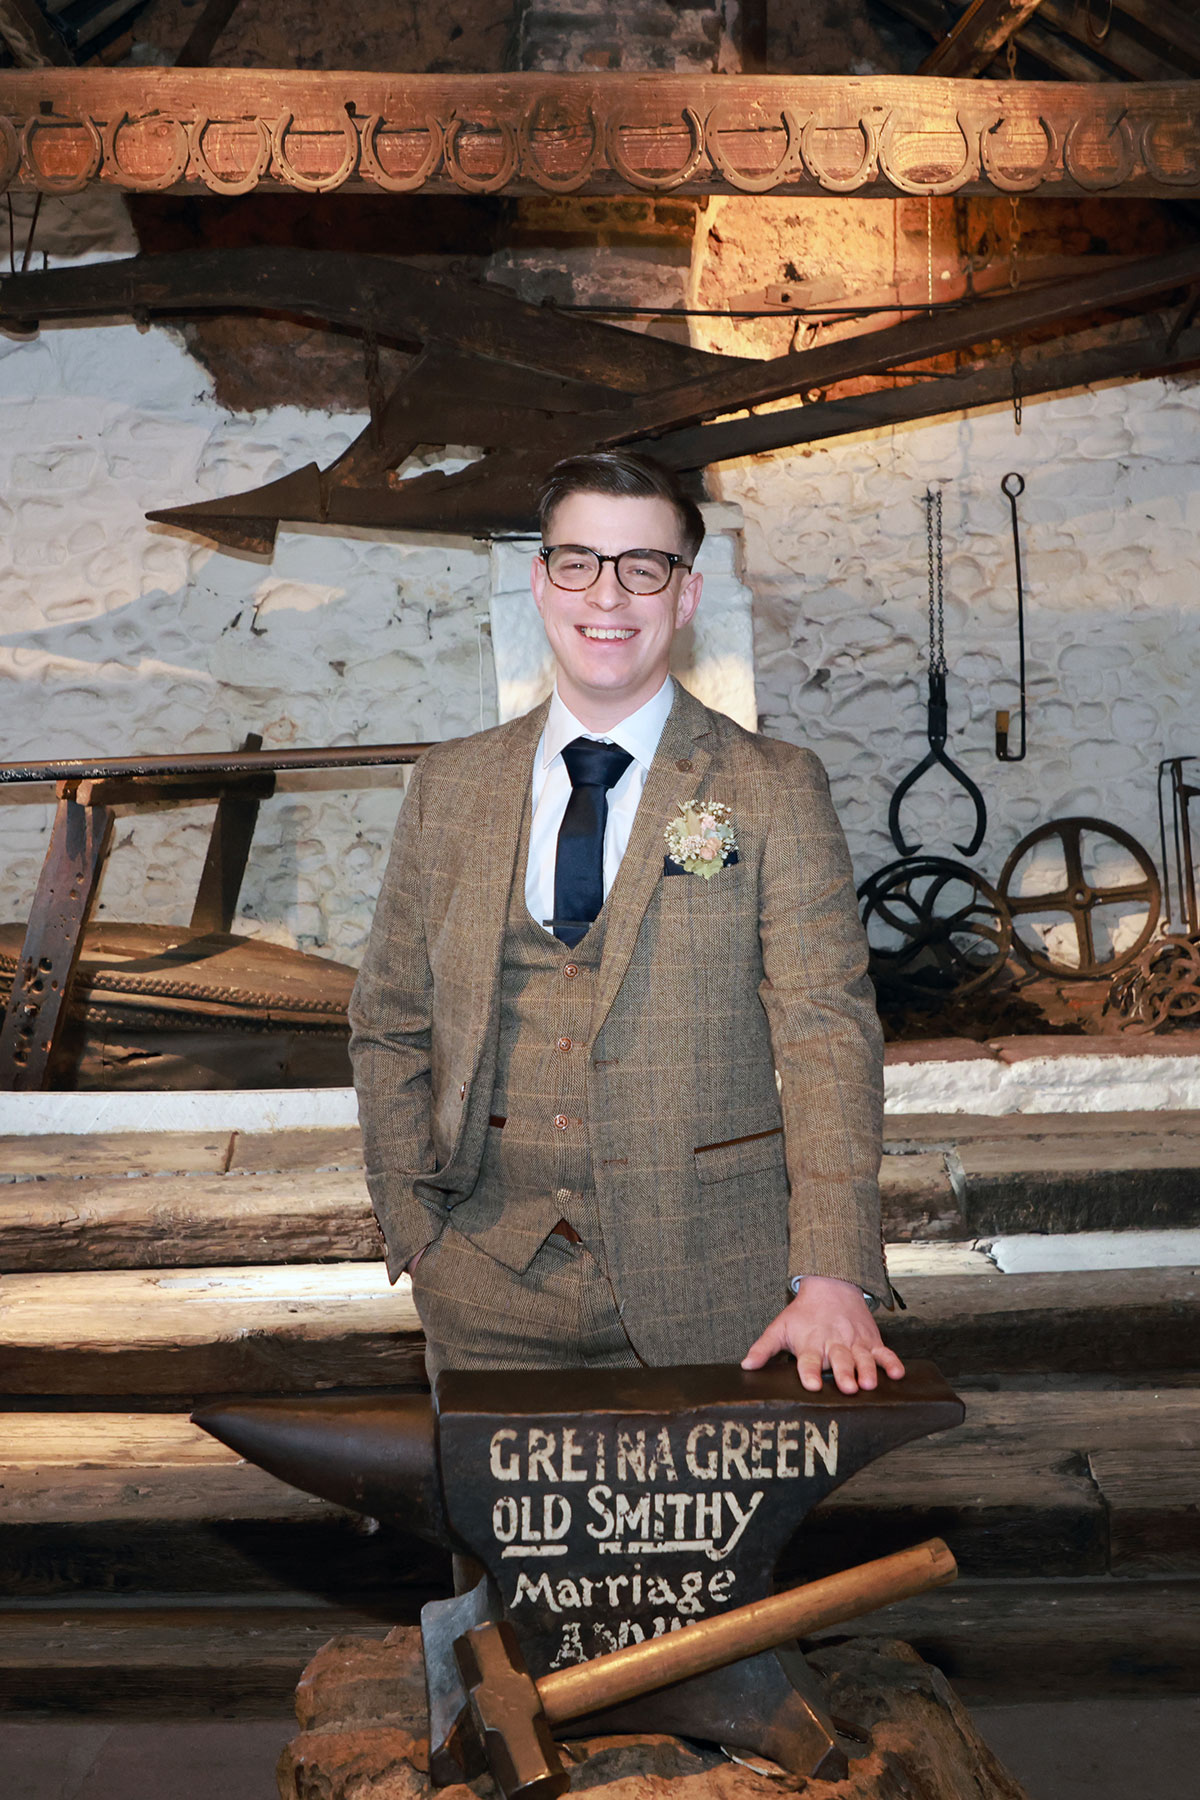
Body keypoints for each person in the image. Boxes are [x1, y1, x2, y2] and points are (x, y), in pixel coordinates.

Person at [349, 450, 903, 1396]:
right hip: (483, 1290)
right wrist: (418, 1229)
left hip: (716, 1291)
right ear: (540, 581)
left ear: (685, 596)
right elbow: (390, 1019)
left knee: (702, 1544)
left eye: (643, 566)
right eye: (580, 561)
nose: (609, 594)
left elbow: (826, 1033)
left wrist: (833, 1273)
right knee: (502, 1545)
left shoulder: (771, 789)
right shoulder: (449, 787)